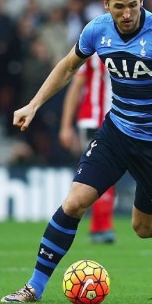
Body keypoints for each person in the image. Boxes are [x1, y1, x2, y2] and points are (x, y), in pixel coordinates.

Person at [1, 0, 152, 303]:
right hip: (116, 131)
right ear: (106, 5)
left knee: (144, 227)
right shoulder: (96, 31)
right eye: (119, 7)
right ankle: (34, 287)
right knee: (74, 202)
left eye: (132, 4)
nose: (127, 13)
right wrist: (33, 105)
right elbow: (68, 66)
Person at [59, 55, 117, 244]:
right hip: (93, 120)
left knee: (108, 173)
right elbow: (76, 85)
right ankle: (101, 227)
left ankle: (100, 226)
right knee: (101, 171)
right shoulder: (94, 52)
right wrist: (66, 126)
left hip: (115, 121)